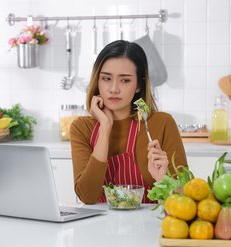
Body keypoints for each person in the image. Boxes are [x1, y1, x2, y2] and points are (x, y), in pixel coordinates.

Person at [69, 40, 187, 204]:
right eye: (106, 78)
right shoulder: (82, 128)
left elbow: (183, 199)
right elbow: (87, 196)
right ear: (97, 80)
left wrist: (163, 180)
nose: (114, 88)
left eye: (125, 80)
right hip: (97, 229)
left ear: (139, 84)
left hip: (150, 227)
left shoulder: (162, 123)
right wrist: (105, 127)